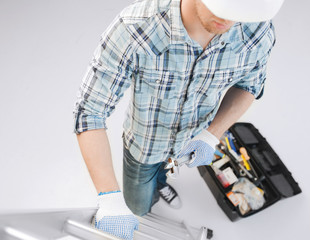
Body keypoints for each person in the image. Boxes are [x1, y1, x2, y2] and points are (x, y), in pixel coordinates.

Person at [73, 0, 284, 239]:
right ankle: (147, 201)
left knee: (166, 172)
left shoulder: (257, 30)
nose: (228, 20)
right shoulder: (135, 28)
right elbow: (89, 112)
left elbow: (250, 86)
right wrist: (109, 198)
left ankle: (161, 185)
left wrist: (210, 134)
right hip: (144, 149)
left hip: (189, 145)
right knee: (139, 207)